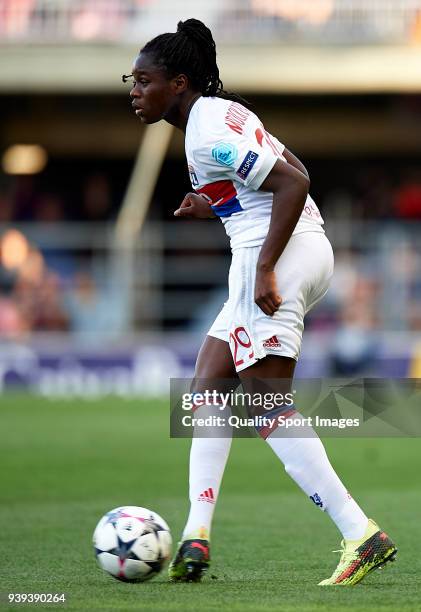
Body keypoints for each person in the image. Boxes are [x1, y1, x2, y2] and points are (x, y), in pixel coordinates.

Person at [125, 18, 397, 585]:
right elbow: (285, 172)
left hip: (274, 257)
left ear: (177, 82)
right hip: (301, 248)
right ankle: (196, 538)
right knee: (208, 381)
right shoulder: (224, 111)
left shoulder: (205, 132)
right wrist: (216, 205)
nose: (134, 90)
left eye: (143, 80)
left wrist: (267, 268)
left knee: (268, 405)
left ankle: (359, 532)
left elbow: (293, 184)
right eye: (132, 79)